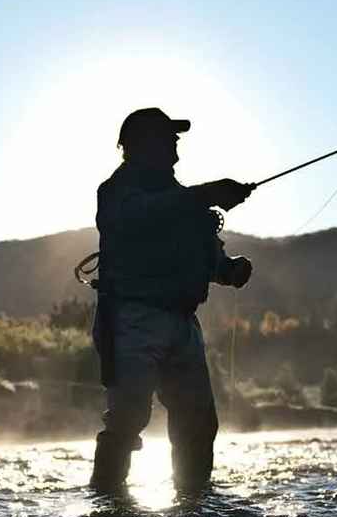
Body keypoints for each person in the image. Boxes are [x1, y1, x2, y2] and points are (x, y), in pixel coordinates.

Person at [90, 107, 255, 492]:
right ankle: (106, 508)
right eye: (168, 138)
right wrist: (207, 195)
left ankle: (193, 506)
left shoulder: (182, 199)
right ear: (140, 145)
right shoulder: (116, 192)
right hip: (131, 319)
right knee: (128, 419)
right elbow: (138, 217)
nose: (176, 147)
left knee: (198, 423)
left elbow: (205, 256)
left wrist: (230, 270)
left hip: (183, 325)